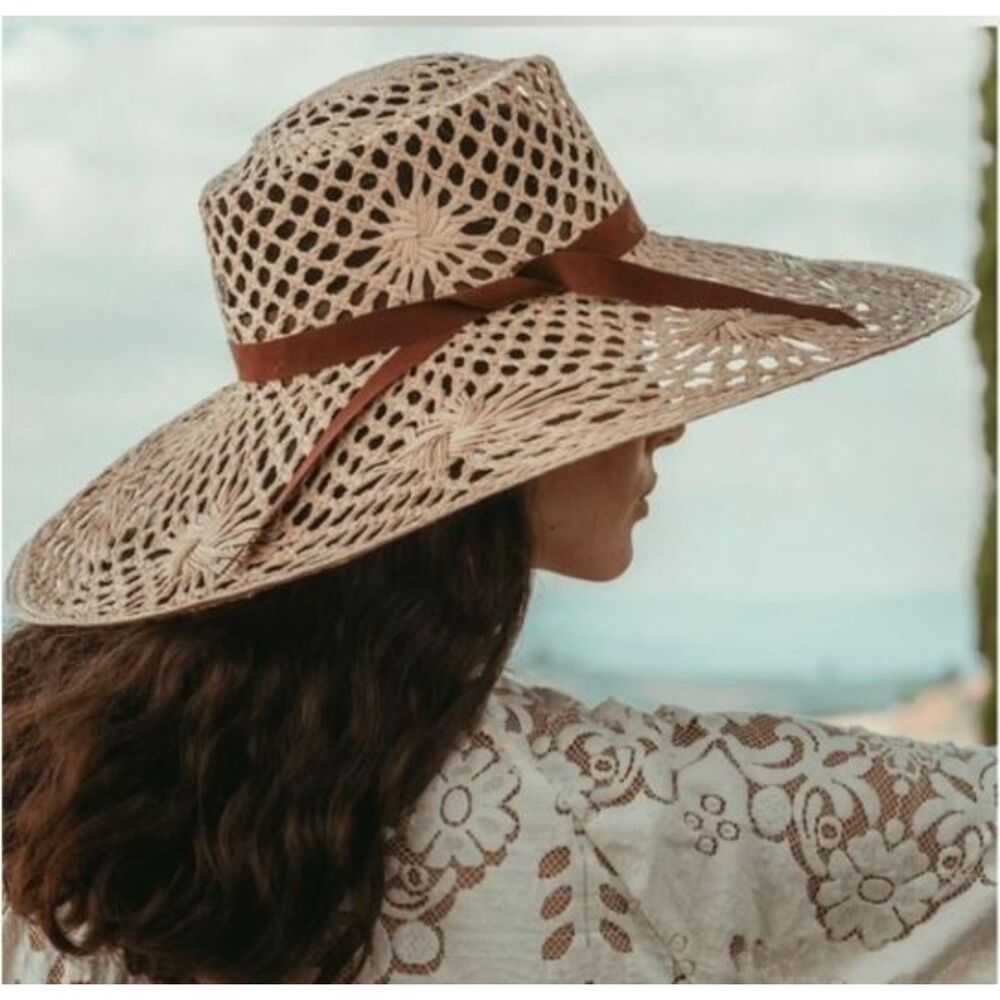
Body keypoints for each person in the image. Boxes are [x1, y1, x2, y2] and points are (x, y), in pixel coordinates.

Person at [2, 52, 995, 985]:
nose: (672, 422)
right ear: (490, 434)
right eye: (610, 371)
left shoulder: (55, 804)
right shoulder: (643, 820)